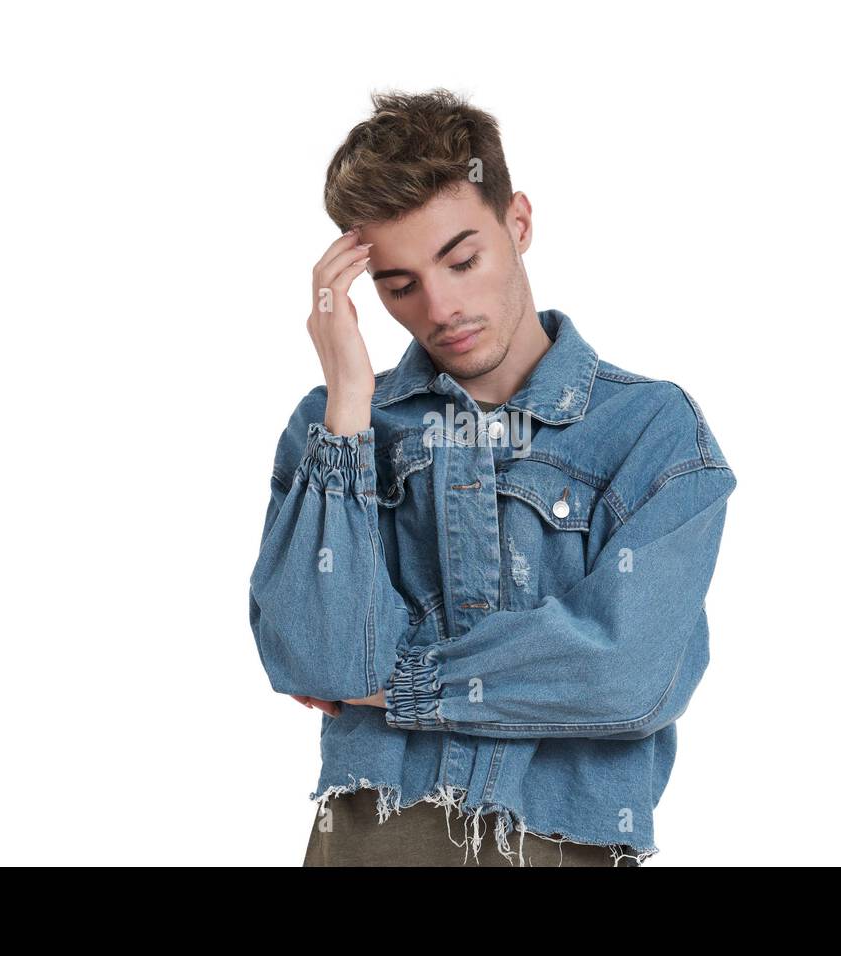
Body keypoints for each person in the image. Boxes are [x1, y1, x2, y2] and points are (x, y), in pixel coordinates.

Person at [248, 88, 736, 866]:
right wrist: (347, 401)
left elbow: (625, 676)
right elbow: (310, 655)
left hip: (556, 846)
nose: (441, 307)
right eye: (398, 284)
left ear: (519, 223)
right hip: (371, 847)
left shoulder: (649, 429)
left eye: (462, 259)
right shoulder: (334, 427)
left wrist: (392, 686)